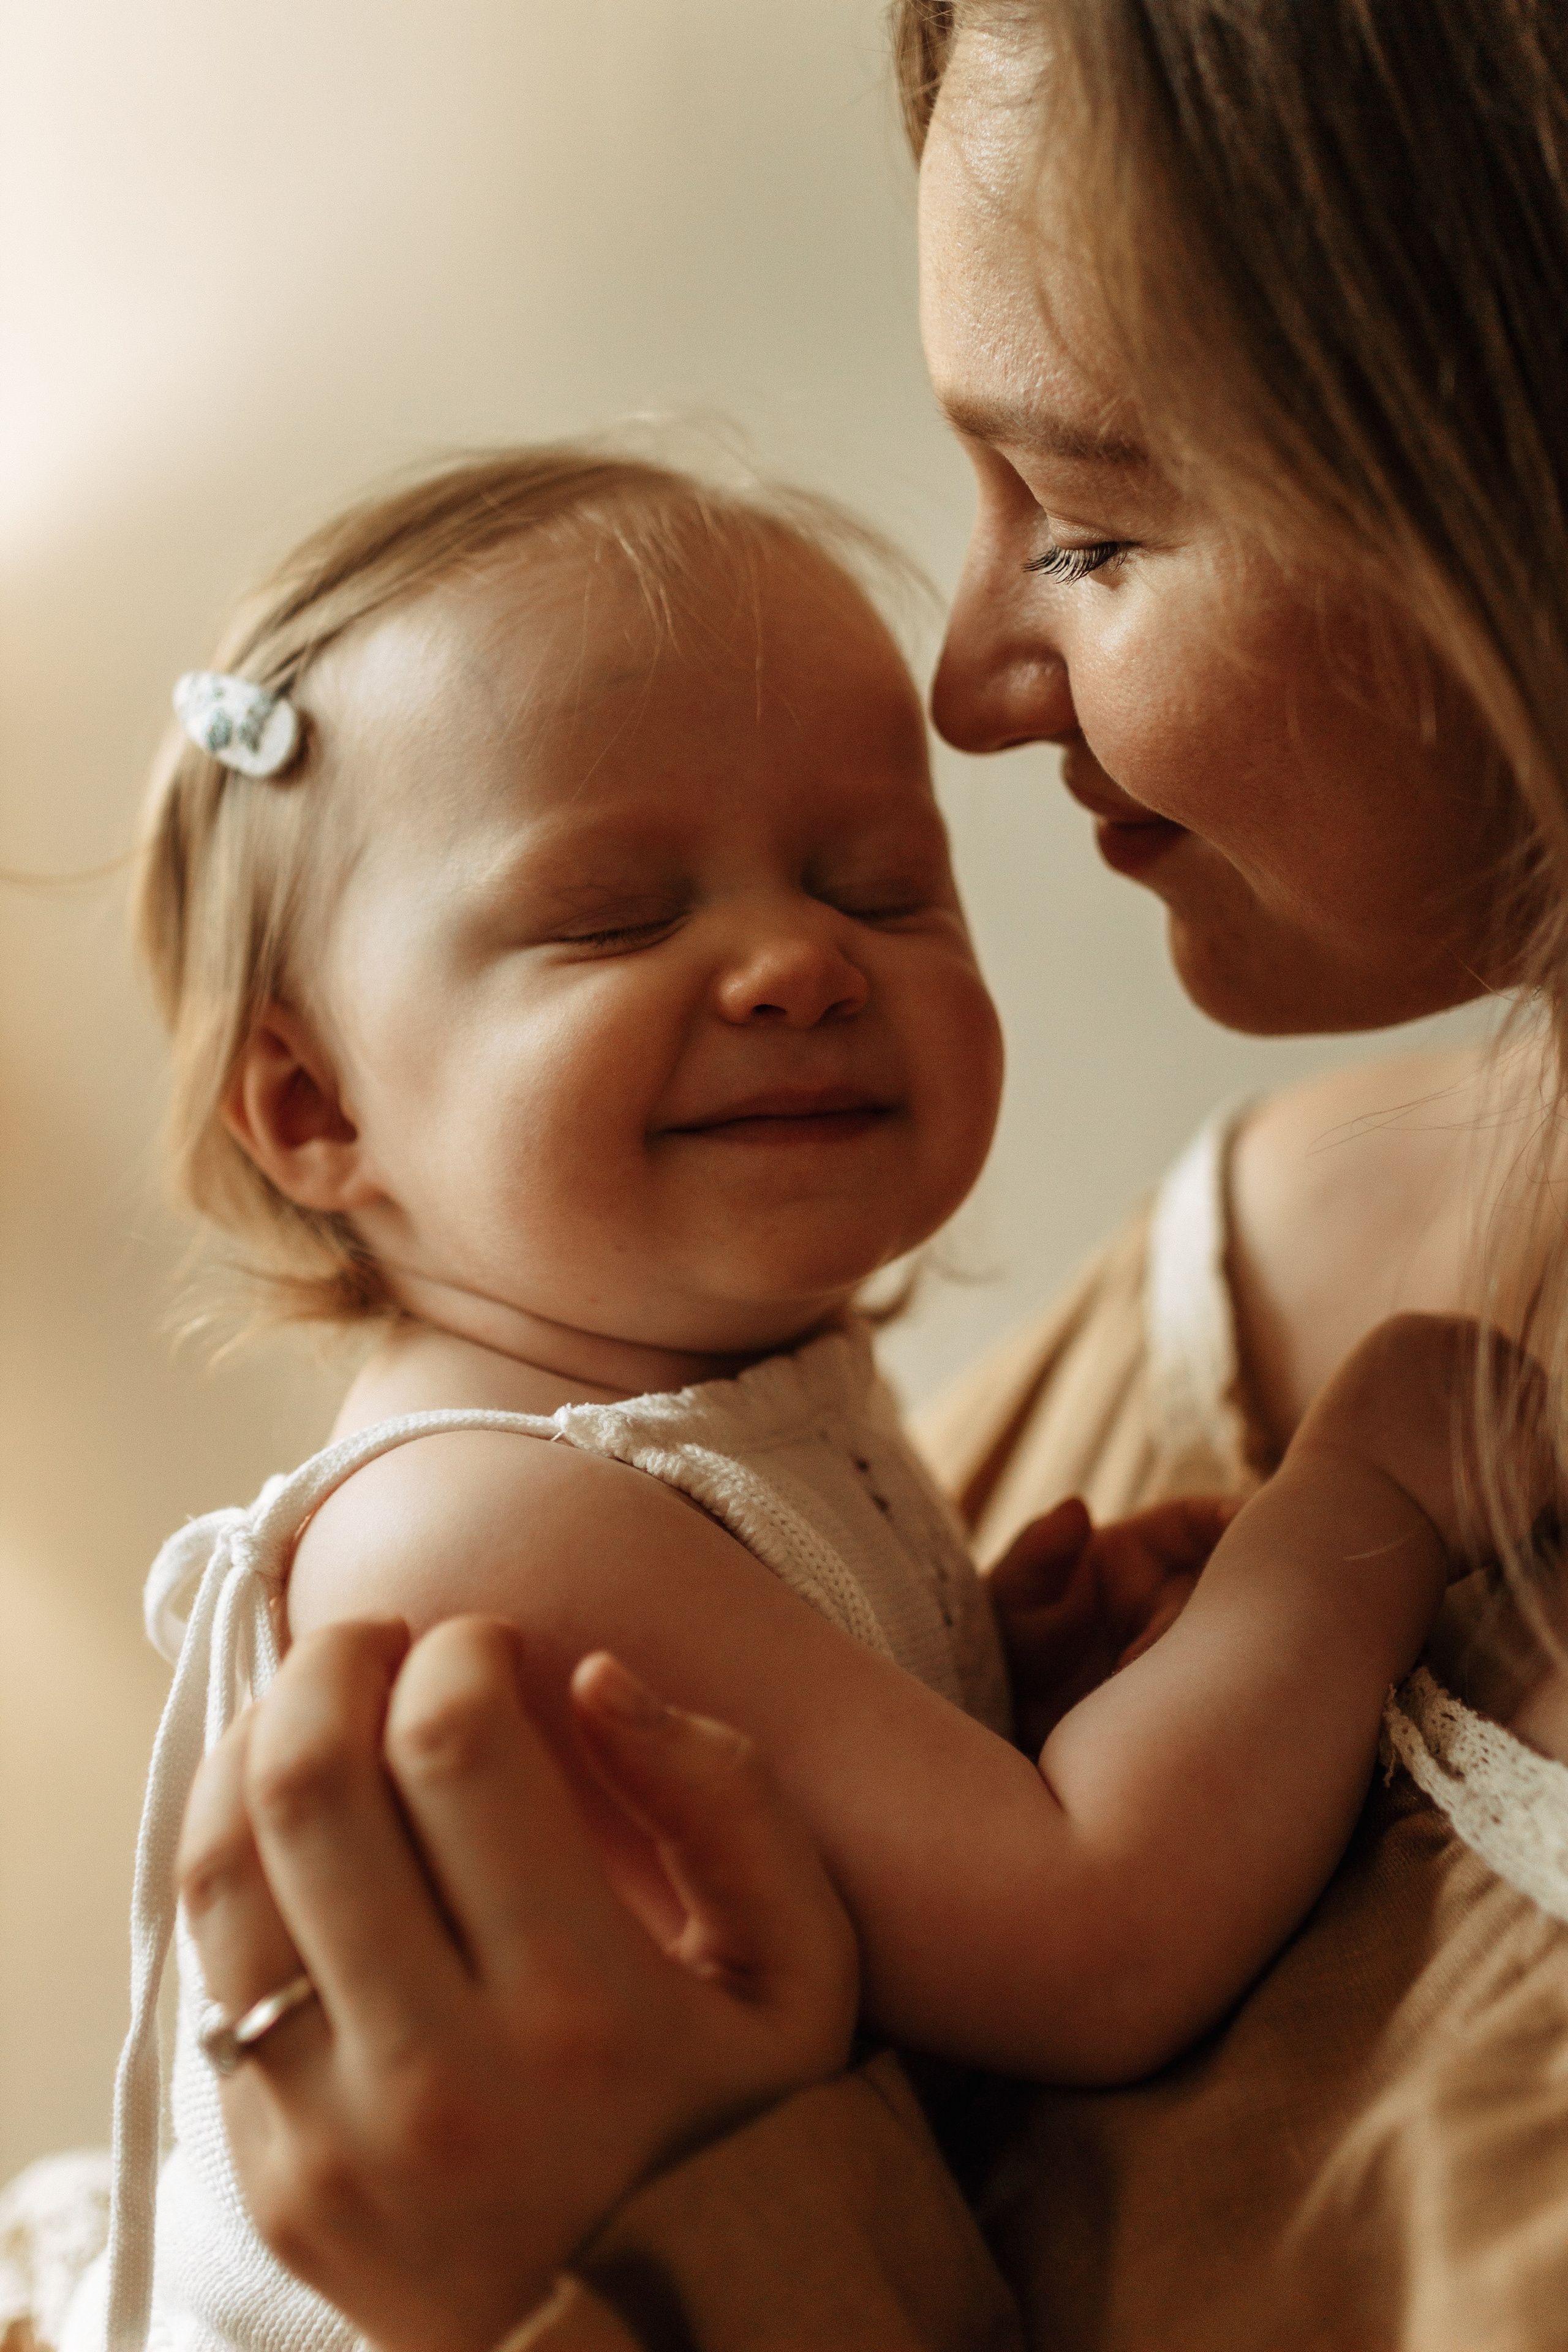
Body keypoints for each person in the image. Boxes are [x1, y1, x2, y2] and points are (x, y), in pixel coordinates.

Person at [43, 0, 1568, 2348]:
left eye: (879, 887)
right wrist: (1361, 1486)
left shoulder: (733, 1424)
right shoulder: (482, 1524)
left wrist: (966, 1697)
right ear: (313, 1108)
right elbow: (1082, 1928)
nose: (792, 970)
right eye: (615, 919)